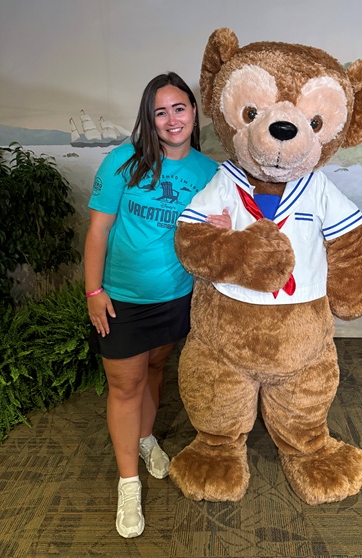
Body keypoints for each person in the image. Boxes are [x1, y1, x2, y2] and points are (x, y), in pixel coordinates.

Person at [84, 72, 229, 539]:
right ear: (149, 118)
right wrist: (93, 292)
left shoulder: (209, 172)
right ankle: (128, 483)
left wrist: (223, 229)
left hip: (177, 298)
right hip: (122, 300)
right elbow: (98, 231)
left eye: (179, 108)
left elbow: (213, 233)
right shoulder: (123, 161)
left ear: (193, 112)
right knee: (125, 386)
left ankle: (146, 439)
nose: (171, 119)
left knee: (154, 370)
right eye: (160, 111)